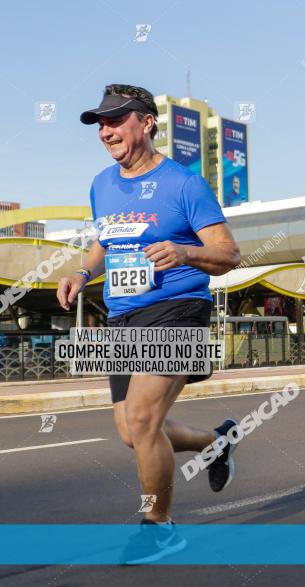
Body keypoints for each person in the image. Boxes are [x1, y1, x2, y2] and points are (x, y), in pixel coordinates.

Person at [57, 84, 241, 564]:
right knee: (129, 429)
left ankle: (159, 527)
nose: (106, 131)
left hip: (178, 307)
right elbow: (106, 240)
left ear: (146, 122)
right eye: (101, 123)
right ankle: (217, 441)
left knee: (142, 419)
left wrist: (184, 252)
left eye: (116, 120)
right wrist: (82, 272)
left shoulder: (185, 184)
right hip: (122, 314)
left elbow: (228, 254)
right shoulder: (101, 184)